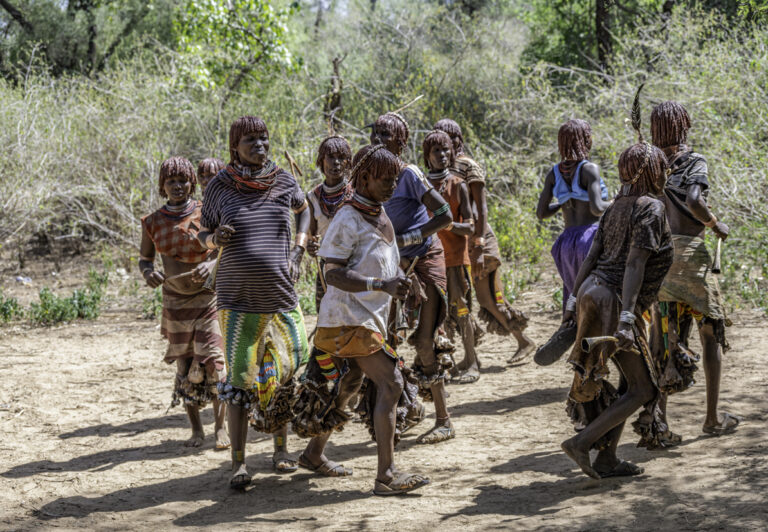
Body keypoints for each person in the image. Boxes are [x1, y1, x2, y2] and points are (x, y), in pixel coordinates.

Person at [297, 144, 430, 495]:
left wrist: (405, 283)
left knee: (350, 383)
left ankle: (313, 453)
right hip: (347, 320)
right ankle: (386, 475)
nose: (391, 186)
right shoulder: (348, 217)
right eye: (385, 180)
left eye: (395, 180)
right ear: (366, 178)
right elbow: (333, 273)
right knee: (392, 382)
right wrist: (381, 284)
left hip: (364, 319)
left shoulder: (379, 212)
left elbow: (383, 262)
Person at [197, 116, 310, 489]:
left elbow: (304, 208)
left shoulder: (282, 179)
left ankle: (281, 451)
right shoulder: (219, 187)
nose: (260, 145)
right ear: (235, 145)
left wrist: (298, 251)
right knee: (242, 382)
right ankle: (240, 464)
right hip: (237, 299)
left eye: (264, 138)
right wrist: (216, 238)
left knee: (283, 372)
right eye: (250, 140)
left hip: (280, 296)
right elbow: (202, 236)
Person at [560, 131, 673, 479]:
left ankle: (608, 460)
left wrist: (571, 303)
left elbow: (592, 257)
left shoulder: (615, 208)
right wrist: (626, 318)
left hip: (592, 294)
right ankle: (582, 443)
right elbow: (635, 264)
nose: (666, 172)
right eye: (661, 167)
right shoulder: (650, 208)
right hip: (614, 304)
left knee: (629, 383)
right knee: (644, 387)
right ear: (652, 170)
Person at [649, 100, 739, 440]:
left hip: (659, 260)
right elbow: (694, 201)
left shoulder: (651, 164)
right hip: (690, 255)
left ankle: (660, 425)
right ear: (683, 125)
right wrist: (715, 225)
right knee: (711, 333)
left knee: (663, 340)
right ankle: (712, 419)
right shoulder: (693, 160)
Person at [372, 112, 456, 444]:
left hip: (424, 258)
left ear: (401, 142)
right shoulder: (370, 174)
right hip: (394, 265)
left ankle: (444, 419)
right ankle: (404, 411)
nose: (377, 139)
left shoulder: (409, 174)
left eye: (385, 134)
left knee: (424, 340)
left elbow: (445, 215)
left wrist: (406, 239)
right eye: (375, 132)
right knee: (387, 341)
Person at [138, 156, 228, 450]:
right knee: (185, 364)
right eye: (171, 182)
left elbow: (225, 247)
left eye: (183, 181)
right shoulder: (152, 222)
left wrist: (212, 264)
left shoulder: (206, 213)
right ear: (163, 186)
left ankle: (220, 429)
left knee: (215, 362)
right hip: (175, 303)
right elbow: (145, 259)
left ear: (193, 183)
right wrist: (148, 273)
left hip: (207, 298)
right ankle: (196, 431)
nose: (178, 186)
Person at [433, 119, 534, 364]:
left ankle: (524, 341)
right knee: (478, 299)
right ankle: (513, 343)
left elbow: (480, 208)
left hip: (478, 243)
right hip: (460, 246)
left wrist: (478, 243)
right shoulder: (442, 168)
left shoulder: (467, 165)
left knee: (490, 298)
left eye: (448, 139)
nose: (444, 145)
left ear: (456, 139)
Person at [423, 130, 481, 384]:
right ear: (427, 156)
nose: (443, 155)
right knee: (437, 315)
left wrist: (444, 225)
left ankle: (472, 361)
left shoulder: (458, 185)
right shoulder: (422, 186)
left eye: (446, 150)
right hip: (431, 261)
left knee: (462, 310)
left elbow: (469, 226)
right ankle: (446, 364)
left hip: (456, 260)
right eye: (437, 151)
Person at [536, 119, 611, 314]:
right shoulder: (589, 169)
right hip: (590, 240)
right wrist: (616, 202)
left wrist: (562, 202)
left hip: (566, 244)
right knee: (601, 292)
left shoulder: (554, 173)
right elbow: (597, 209)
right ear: (585, 140)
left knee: (573, 295)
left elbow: (542, 213)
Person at [306, 135, 354, 309]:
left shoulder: (356, 195)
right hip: (326, 269)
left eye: (341, 158)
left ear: (348, 163)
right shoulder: (313, 197)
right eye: (331, 157)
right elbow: (311, 236)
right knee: (326, 318)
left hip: (354, 266)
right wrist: (311, 248)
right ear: (321, 160)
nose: (336, 163)